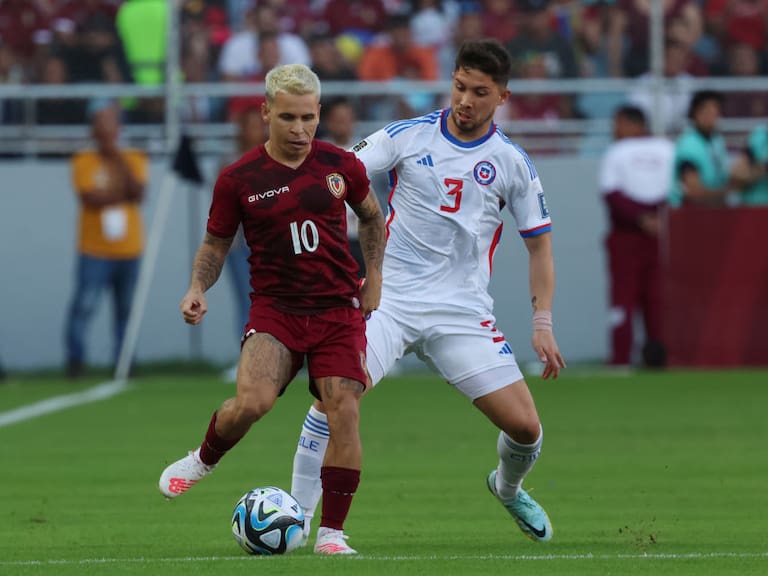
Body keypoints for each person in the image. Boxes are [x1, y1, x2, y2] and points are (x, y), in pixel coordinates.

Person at [291, 39, 566, 545]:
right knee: (334, 398)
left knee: (526, 428)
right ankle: (301, 522)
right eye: (460, 86)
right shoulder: (407, 136)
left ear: (502, 96)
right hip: (389, 299)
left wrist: (542, 322)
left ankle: (506, 488)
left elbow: (540, 249)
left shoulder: (512, 163)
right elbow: (344, 171)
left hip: (461, 311)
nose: (465, 100)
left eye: (479, 92)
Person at [157, 64, 386, 556]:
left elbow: (373, 217)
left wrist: (375, 278)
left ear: (319, 112)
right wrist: (198, 286)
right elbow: (216, 244)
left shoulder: (341, 165)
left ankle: (330, 534)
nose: (301, 129)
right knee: (252, 403)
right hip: (276, 310)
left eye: (309, 118)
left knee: (344, 410)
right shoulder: (238, 178)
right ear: (265, 112)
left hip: (336, 310)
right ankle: (203, 458)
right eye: (288, 118)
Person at [64, 102, 148, 379]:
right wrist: (121, 192)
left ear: (119, 128)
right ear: (93, 130)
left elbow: (137, 193)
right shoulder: (83, 161)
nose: (106, 130)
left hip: (129, 249)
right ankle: (75, 362)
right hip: (94, 250)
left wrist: (118, 161)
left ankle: (125, 363)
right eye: (100, 124)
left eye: (110, 123)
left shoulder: (134, 157)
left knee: (126, 311)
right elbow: (89, 197)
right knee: (84, 307)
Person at [599, 106, 674, 368]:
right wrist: (658, 218)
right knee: (657, 298)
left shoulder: (616, 152)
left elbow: (611, 195)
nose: (614, 130)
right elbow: (674, 191)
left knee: (623, 299)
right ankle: (659, 359)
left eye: (617, 124)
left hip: (626, 236)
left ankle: (621, 359)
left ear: (629, 124)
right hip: (661, 234)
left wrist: (640, 218)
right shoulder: (667, 149)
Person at [219, 106, 270, 382]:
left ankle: (283, 360)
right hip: (241, 243)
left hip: (273, 245)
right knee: (246, 303)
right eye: (248, 125)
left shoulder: (276, 157)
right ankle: (247, 362)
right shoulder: (229, 160)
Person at [669, 90, 734, 207]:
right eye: (706, 112)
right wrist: (729, 191)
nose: (712, 116)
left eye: (715, 112)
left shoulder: (717, 140)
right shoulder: (688, 144)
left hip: (714, 209)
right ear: (695, 113)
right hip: (690, 213)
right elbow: (693, 192)